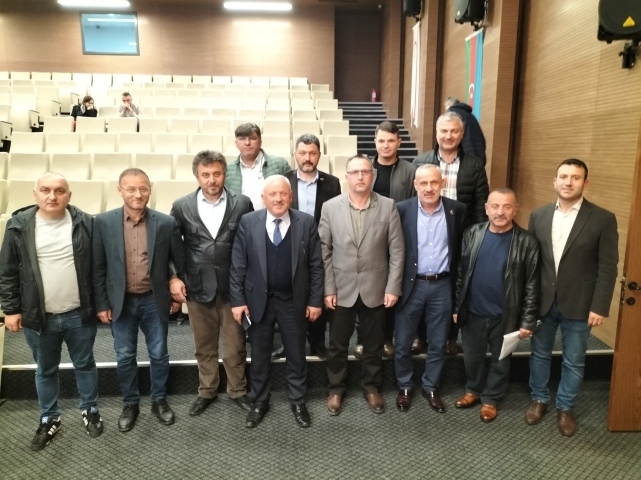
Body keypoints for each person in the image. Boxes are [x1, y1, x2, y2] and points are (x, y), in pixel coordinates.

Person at [0, 173, 102, 450]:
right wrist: (11, 309)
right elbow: (8, 271)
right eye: (45, 190)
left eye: (59, 191)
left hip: (78, 313)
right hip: (39, 317)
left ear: (69, 195)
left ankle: (90, 409)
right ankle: (49, 417)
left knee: (85, 364)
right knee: (45, 370)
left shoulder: (86, 223)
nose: (52, 196)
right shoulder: (18, 226)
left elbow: (98, 268)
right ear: (35, 194)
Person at [526, 158, 618, 437]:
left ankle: (565, 406)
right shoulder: (538, 216)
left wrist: (600, 306)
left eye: (575, 178)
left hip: (580, 303)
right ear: (554, 181)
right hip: (543, 301)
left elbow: (608, 267)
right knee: (539, 354)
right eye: (564, 177)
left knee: (574, 359)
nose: (568, 182)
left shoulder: (603, 219)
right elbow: (531, 264)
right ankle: (539, 399)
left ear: (585, 183)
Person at [93, 168, 185, 433]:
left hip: (153, 300)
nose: (137, 194)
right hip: (120, 302)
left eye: (143, 188)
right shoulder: (103, 222)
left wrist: (174, 288)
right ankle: (130, 403)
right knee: (124, 356)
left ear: (150, 189)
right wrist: (102, 303)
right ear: (119, 190)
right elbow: (98, 267)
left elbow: (177, 260)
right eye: (131, 189)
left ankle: (159, 399)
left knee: (159, 354)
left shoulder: (165, 222)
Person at [230, 175, 324, 428]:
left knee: (296, 353)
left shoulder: (306, 222)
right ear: (264, 198)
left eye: (283, 193)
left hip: (293, 301)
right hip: (257, 301)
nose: (278, 198)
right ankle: (260, 401)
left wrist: (315, 300)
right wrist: (237, 300)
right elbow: (238, 265)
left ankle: (298, 400)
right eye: (273, 194)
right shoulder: (249, 222)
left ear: (291, 197)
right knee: (260, 355)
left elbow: (316, 266)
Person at [170, 151, 254, 416]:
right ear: (197, 176)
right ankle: (206, 390)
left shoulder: (242, 203)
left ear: (224, 174)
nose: (212, 180)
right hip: (197, 286)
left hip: (234, 288)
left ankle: (237, 390)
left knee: (235, 346)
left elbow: (251, 245)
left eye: (216, 173)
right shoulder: (181, 206)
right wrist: (174, 276)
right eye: (205, 174)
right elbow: (171, 246)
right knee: (204, 346)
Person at [319, 155, 404, 416]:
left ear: (372, 176)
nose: (360, 177)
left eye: (365, 172)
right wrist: (328, 288)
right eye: (354, 172)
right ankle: (336, 389)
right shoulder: (330, 207)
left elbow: (397, 250)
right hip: (341, 288)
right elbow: (324, 251)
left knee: (373, 343)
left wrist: (393, 287)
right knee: (337, 344)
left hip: (376, 287)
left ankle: (371, 387)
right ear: (346, 177)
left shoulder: (388, 206)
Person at [454, 188, 540, 422]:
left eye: (506, 206)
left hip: (506, 315)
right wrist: (457, 307)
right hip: (473, 312)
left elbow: (532, 284)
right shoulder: (472, 233)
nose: (500, 212)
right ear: (486, 209)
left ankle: (491, 399)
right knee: (472, 357)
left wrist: (528, 320)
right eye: (495, 206)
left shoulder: (527, 242)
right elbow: (461, 273)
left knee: (500, 361)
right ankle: (473, 390)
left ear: (516, 209)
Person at [413, 111, 490, 356]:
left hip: (462, 236)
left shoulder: (475, 165)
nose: (448, 136)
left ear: (462, 134)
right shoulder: (420, 162)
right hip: (428, 232)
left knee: (456, 287)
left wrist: (476, 239)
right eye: (444, 131)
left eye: (454, 131)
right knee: (423, 284)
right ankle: (421, 336)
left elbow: (480, 205)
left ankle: (450, 337)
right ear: (436, 133)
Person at [393, 165, 467, 414]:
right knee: (403, 342)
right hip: (410, 285)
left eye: (434, 182)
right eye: (423, 183)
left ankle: (431, 386)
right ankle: (405, 386)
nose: (428, 188)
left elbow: (460, 251)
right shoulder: (401, 209)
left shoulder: (457, 210)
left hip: (442, 286)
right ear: (415, 185)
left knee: (438, 342)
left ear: (442, 183)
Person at [270, 134, 341, 360]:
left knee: (316, 293)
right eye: (302, 153)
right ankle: (289, 343)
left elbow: (335, 216)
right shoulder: (284, 180)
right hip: (289, 246)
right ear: (295, 155)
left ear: (319, 155)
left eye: (312, 153)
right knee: (290, 297)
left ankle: (317, 342)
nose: (307, 158)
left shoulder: (332, 183)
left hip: (320, 246)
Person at [356, 121, 417, 359]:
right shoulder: (365, 168)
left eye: (391, 141)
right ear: (375, 142)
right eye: (381, 141)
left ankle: (386, 338)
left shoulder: (410, 171)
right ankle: (362, 338)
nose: (385, 145)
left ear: (399, 142)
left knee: (392, 289)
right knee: (365, 290)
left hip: (398, 237)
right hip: (367, 239)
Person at [224, 123, 291, 211]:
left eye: (252, 138)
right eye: (242, 139)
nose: (247, 143)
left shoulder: (280, 165)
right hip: (241, 219)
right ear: (236, 143)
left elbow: (291, 195)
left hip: (273, 218)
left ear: (260, 142)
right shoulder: (228, 170)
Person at [444, 96, 486, 165]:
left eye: (445, 107)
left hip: (463, 157)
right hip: (478, 155)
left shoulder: (451, 115)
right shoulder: (470, 116)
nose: (445, 110)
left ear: (449, 105)